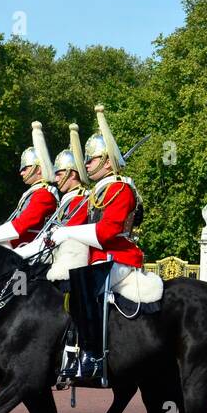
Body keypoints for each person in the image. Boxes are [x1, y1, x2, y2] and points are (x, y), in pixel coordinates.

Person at [46, 110, 144, 379]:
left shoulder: (120, 189)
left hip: (120, 257)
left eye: (92, 159)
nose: (86, 164)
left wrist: (67, 234)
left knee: (83, 285)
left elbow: (107, 233)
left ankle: (92, 354)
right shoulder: (98, 191)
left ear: (108, 161)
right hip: (99, 259)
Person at [0, 146, 60, 248]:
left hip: (27, 248)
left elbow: (21, 225)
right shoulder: (34, 192)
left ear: (38, 169)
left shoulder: (43, 194)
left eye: (25, 168)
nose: (21, 172)